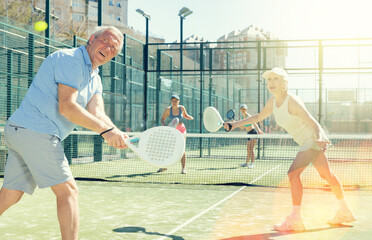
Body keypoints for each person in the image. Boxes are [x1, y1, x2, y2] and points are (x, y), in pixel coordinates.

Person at [0, 26, 128, 240]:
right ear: (91, 38)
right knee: (68, 192)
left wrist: (116, 131)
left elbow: (98, 112)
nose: (108, 47)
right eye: (105, 40)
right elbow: (67, 107)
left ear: (113, 56)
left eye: (114, 48)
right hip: (36, 131)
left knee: (10, 195)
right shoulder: (71, 60)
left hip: (19, 130)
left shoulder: (94, 78)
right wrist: (106, 132)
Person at [224, 67, 356, 231]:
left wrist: (320, 137)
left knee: (293, 174)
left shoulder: (292, 101)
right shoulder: (272, 102)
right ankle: (344, 211)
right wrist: (234, 124)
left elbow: (311, 120)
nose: (271, 83)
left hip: (312, 139)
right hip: (307, 141)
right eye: (269, 80)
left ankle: (296, 219)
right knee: (326, 175)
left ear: (285, 83)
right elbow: (258, 117)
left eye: (276, 79)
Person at [157, 94, 193, 174]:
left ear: (178, 101)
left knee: (182, 148)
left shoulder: (182, 108)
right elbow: (162, 119)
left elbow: (185, 116)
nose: (174, 102)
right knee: (166, 147)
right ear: (171, 101)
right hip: (172, 130)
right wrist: (165, 126)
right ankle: (163, 166)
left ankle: (183, 169)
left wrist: (189, 117)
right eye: (173, 100)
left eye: (176, 101)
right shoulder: (168, 110)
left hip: (181, 129)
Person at [238, 104, 263, 168]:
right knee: (248, 149)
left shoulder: (248, 116)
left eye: (244, 109)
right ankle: (246, 163)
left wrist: (259, 130)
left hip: (253, 133)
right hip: (248, 134)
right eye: (242, 109)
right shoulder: (242, 118)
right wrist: (236, 124)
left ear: (246, 109)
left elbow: (254, 123)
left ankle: (252, 163)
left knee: (251, 149)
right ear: (240, 110)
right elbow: (242, 127)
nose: (243, 110)